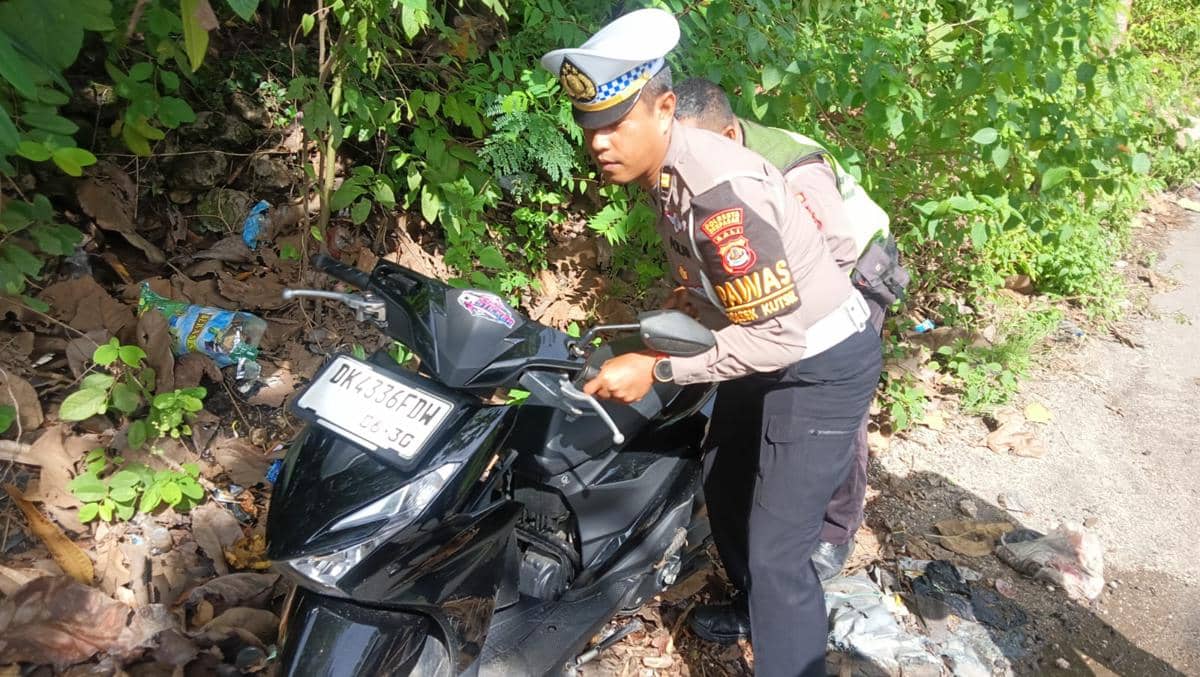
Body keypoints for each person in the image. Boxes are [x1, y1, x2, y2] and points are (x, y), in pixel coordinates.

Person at [541, 9, 882, 676]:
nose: (599, 143)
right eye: (589, 128)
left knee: (779, 550)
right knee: (724, 478)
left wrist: (660, 366)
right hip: (764, 346)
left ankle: (790, 644)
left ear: (664, 108)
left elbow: (779, 334)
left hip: (818, 365)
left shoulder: (717, 188)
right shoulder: (668, 168)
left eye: (615, 124)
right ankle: (763, 607)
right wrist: (687, 301)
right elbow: (730, 283)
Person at [673, 78, 910, 583]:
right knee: (755, 405)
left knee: (831, 416)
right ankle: (763, 519)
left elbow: (832, 254)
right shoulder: (694, 170)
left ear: (730, 136)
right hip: (780, 283)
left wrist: (767, 332)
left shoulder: (791, 170)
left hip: (852, 274)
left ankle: (832, 532)